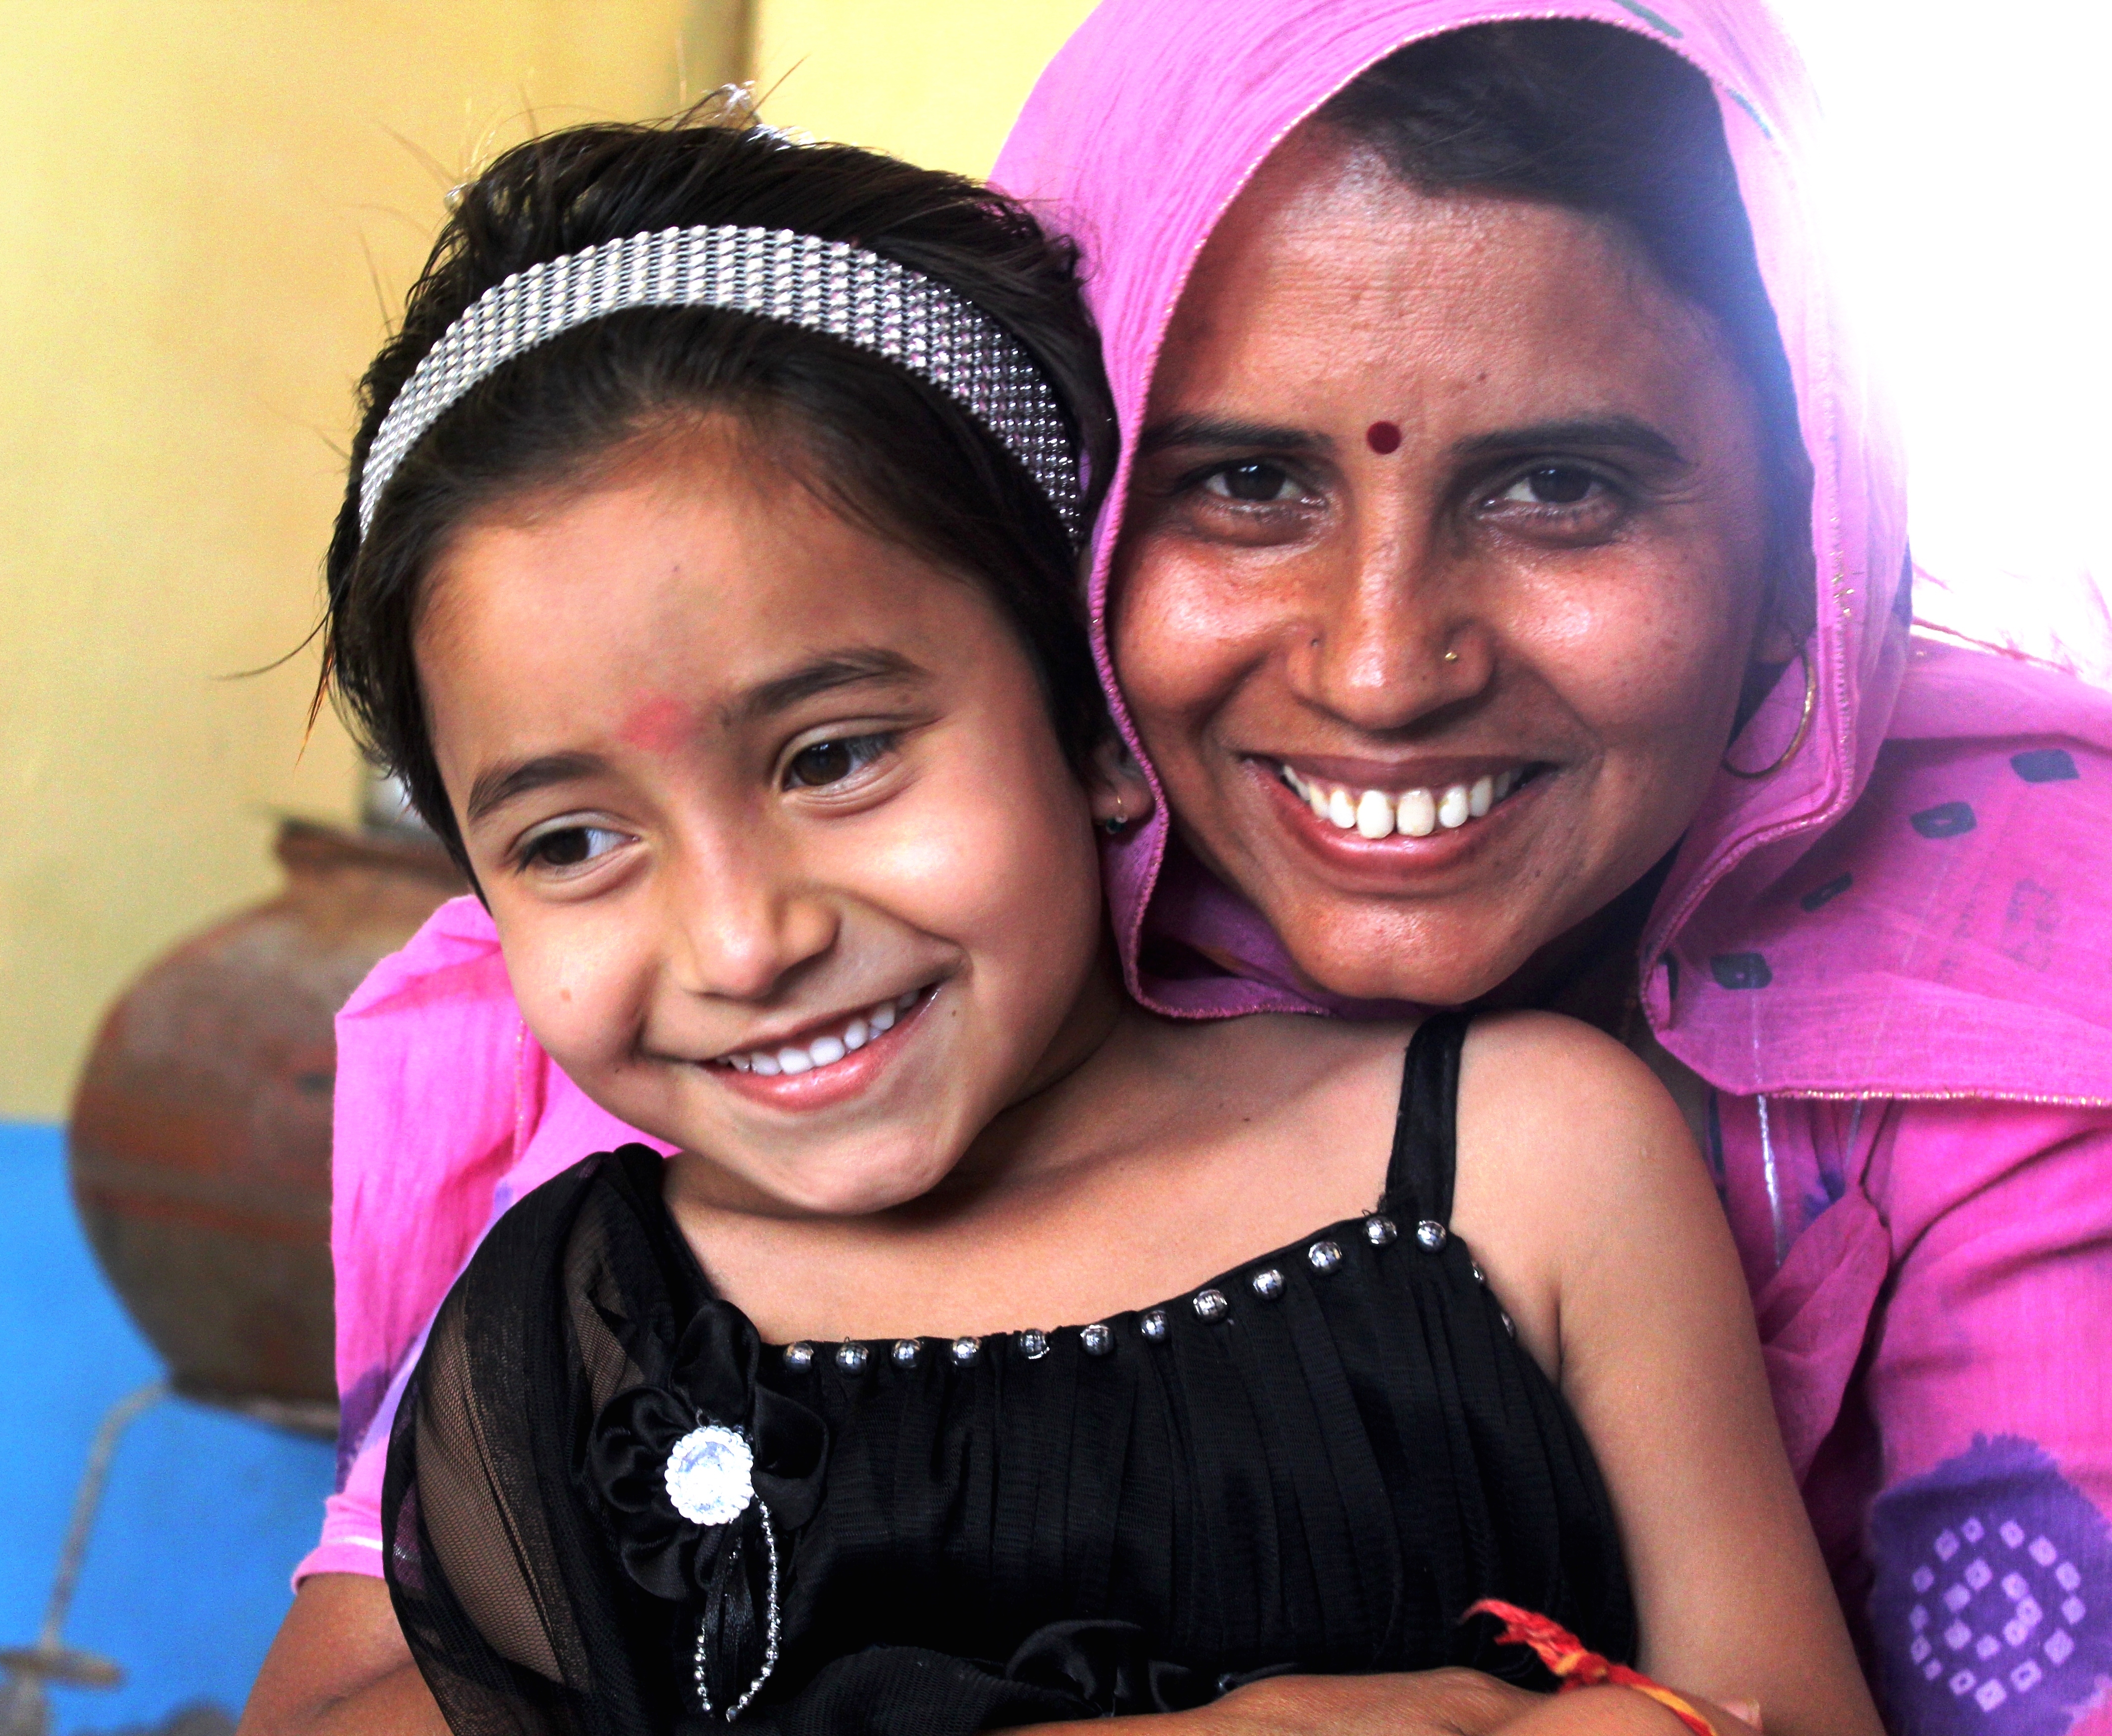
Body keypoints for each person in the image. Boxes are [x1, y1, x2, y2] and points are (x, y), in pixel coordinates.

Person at [255, 1, 2112, 1732]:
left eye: (1561, 485)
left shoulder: (1694, 1101)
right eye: (1241, 482)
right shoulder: (703, 1147)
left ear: (1804, 526)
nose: (1382, 668)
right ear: (1087, 577)